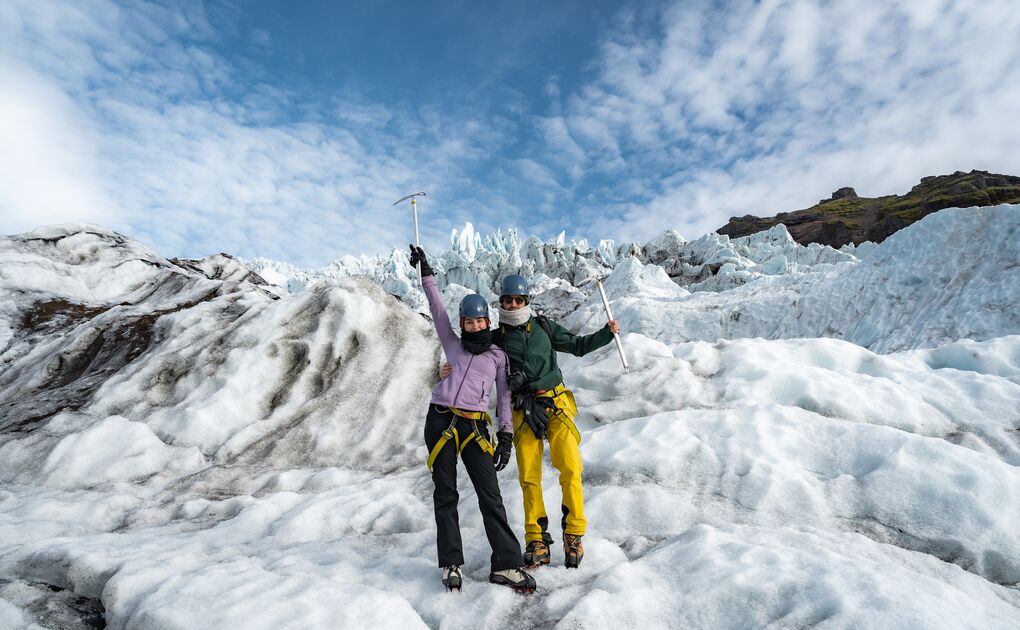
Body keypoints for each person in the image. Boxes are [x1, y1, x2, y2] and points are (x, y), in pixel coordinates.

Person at [441, 274, 621, 569]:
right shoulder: (495, 339)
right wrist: (447, 370)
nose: (513, 304)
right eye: (508, 300)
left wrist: (606, 333)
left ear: (527, 301)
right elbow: (469, 359)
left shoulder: (544, 328)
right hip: (522, 409)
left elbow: (577, 345)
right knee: (529, 476)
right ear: (501, 303)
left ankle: (573, 534)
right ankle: (535, 538)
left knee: (571, 468)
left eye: (519, 300)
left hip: (556, 403)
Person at [409, 245, 537, 593]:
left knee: (489, 495)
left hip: (475, 426)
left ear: (488, 322)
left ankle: (506, 565)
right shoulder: (452, 345)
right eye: (469, 321)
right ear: (463, 323)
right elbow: (436, 309)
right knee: (445, 494)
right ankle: (451, 563)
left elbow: (505, 398)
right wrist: (427, 273)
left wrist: (506, 435)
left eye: (480, 320)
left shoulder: (497, 357)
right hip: (440, 420)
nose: (474, 325)